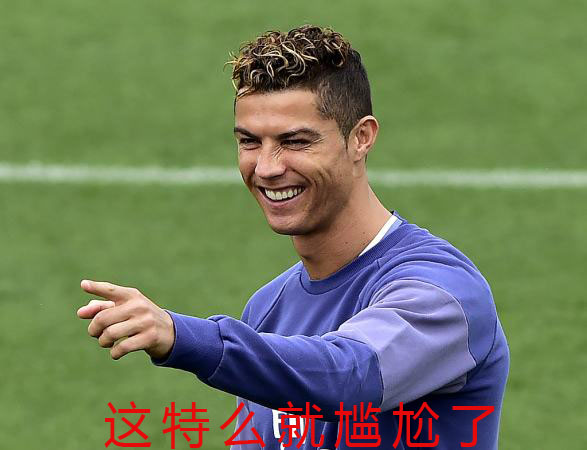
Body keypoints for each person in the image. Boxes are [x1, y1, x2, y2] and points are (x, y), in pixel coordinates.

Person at [77, 25, 509, 449]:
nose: (267, 168)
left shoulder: (441, 292)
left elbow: (350, 378)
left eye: (295, 141)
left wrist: (183, 336)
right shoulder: (267, 310)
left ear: (361, 138)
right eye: (250, 142)